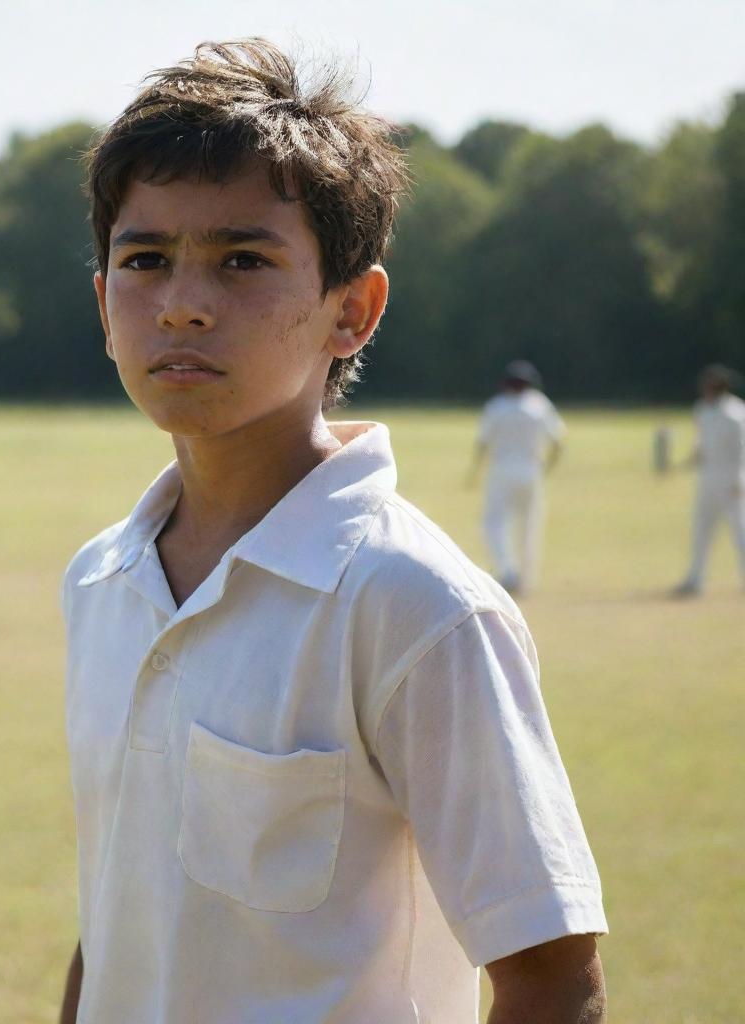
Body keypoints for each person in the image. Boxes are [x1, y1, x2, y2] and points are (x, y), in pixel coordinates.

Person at [60, 40, 607, 1024]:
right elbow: (118, 910)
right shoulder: (101, 578)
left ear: (352, 309)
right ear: (104, 303)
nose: (181, 304)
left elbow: (551, 977)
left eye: (242, 260)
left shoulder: (414, 603)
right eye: (144, 260)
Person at [468, 360, 565, 595]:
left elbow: (482, 442)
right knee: (530, 524)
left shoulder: (497, 406)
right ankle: (527, 579)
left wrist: (474, 472)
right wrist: (546, 469)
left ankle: (507, 571)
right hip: (531, 471)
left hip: (501, 471)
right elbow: (559, 442)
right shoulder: (540, 406)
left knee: (494, 523)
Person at [672, 363, 745, 596]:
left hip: (731, 478)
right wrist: (687, 462)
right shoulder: (702, 409)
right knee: (701, 529)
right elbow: (702, 444)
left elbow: (741, 449)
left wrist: (739, 480)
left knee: (739, 530)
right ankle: (696, 579)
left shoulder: (736, 413)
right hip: (707, 477)